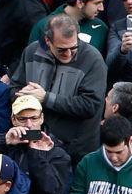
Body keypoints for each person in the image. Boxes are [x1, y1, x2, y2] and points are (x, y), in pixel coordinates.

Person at [9, 13, 107, 166]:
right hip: (34, 140)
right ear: (47, 41)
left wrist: (46, 98)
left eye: (73, 47)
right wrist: (27, 100)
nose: (68, 54)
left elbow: (90, 105)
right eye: (62, 49)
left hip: (75, 150)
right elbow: (15, 88)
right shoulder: (31, 52)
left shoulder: (93, 59)